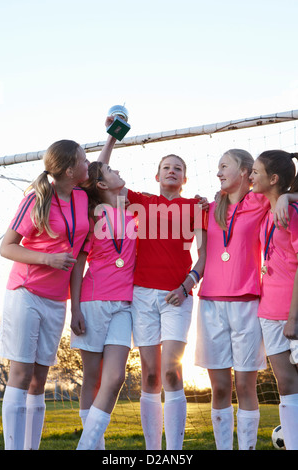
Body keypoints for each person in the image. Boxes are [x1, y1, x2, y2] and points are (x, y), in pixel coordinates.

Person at [89, 128, 208, 450]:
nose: (172, 170)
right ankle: (153, 451)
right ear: (157, 175)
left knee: (171, 373)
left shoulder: (197, 208)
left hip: (177, 296)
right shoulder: (139, 202)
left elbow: (205, 255)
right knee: (151, 377)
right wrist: (111, 138)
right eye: (167, 166)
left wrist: (187, 285)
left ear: (184, 179)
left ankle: (175, 451)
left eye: (178, 168)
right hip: (141, 295)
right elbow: (98, 176)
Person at [195, 148, 297, 450]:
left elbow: (285, 193)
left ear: (244, 172)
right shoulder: (207, 208)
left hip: (250, 304)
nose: (218, 172)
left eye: (224, 166)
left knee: (245, 385)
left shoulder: (263, 203)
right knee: (220, 387)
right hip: (211, 303)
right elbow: (199, 254)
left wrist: (286, 197)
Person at [0, 139, 90, 450]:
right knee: (21, 375)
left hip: (56, 301)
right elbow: (6, 247)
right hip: (26, 293)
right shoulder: (37, 199)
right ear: (69, 169)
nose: (88, 164)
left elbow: (78, 259)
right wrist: (46, 259)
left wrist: (76, 308)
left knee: (40, 381)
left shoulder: (81, 197)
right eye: (83, 160)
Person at [70, 154, 137, 450]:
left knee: (116, 377)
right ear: (100, 183)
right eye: (111, 169)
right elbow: (77, 265)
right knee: (93, 380)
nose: (117, 169)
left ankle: (84, 446)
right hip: (92, 303)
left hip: (124, 306)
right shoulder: (90, 218)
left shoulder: (136, 215)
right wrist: (75, 309)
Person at [250, 149, 298, 450]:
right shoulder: (267, 209)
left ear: (274, 178)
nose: (250, 176)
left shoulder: (290, 212)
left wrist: (293, 317)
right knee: (284, 383)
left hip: (293, 313)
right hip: (268, 312)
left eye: (255, 171)